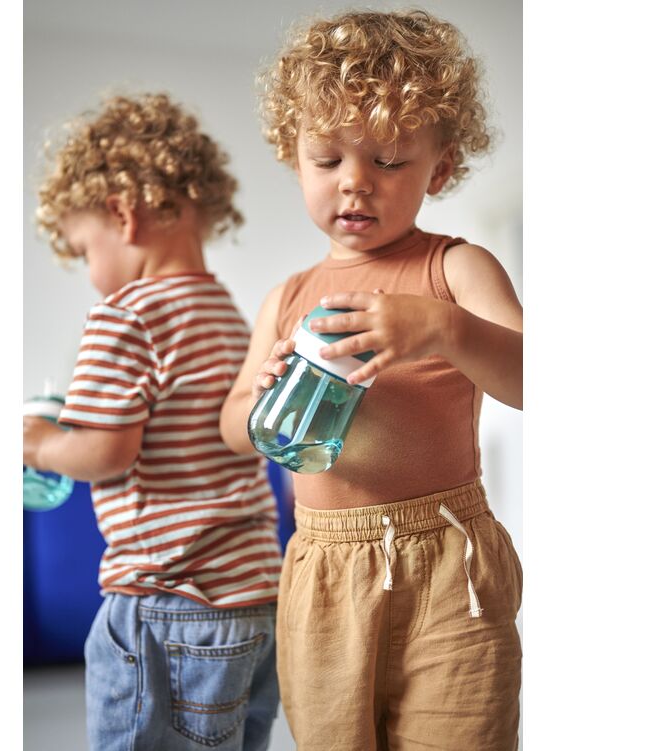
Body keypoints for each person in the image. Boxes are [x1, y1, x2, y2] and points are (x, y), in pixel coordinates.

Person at [219, 10, 522, 750]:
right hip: (322, 567)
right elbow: (233, 429)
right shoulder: (285, 296)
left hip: (447, 563)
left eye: (387, 161)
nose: (355, 183)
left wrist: (440, 327)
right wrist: (259, 391)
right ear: (294, 158)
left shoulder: (454, 268)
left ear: (438, 168)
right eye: (327, 160)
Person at [24, 93, 282, 751]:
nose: (91, 275)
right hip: (256, 601)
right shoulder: (227, 313)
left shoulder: (126, 312)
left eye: (85, 250)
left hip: (167, 600)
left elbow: (107, 451)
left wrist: (46, 445)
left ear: (121, 214)